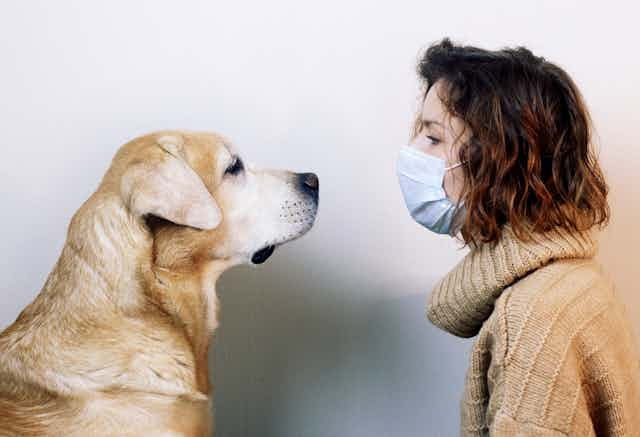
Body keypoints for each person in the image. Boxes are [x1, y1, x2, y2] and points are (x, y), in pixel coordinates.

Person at [397, 38, 640, 436]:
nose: (411, 152)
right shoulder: (576, 279)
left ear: (497, 158)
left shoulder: (531, 320)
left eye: (433, 137)